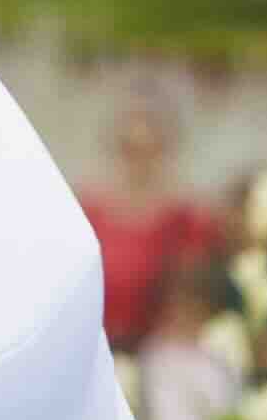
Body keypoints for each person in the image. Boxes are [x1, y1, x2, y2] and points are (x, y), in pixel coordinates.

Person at [73, 81, 218, 352]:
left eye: (149, 149)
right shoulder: (88, 210)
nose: (139, 161)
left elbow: (192, 298)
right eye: (130, 149)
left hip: (159, 353)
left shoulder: (186, 217)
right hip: (93, 344)